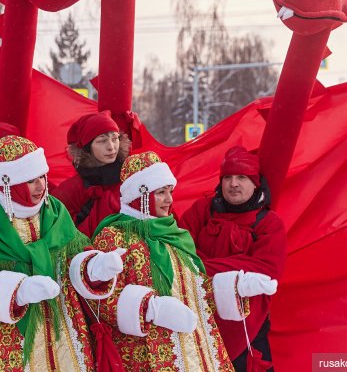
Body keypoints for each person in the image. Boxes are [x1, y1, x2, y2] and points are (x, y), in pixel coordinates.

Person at [79, 151, 278, 372]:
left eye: (170, 192)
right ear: (140, 195)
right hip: (143, 357)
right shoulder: (114, 235)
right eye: (161, 193)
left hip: (190, 353)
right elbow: (99, 299)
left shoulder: (175, 235)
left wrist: (233, 286)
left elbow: (193, 290)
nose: (169, 200)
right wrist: (150, 309)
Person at [0, 135, 117, 372]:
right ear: (8, 183)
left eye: (41, 177)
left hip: (61, 325)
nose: (40, 186)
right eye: (30, 181)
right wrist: (18, 292)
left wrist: (95, 266)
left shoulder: (54, 210)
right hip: (8, 335)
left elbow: (75, 251)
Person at [180, 146, 286, 371]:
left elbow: (268, 271)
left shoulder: (269, 222)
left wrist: (204, 266)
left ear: (255, 182)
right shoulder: (202, 211)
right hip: (201, 321)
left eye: (241, 177)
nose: (233, 183)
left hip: (250, 327)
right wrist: (242, 269)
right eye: (227, 177)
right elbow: (179, 254)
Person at [51, 111, 131, 237]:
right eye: (102, 141)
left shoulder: (129, 176)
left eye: (115, 139)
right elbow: (57, 232)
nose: (111, 147)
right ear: (88, 148)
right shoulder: (73, 188)